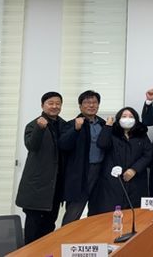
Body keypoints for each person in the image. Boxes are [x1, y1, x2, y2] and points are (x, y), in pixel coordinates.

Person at [16, 92, 66, 244]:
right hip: (36, 187)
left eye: (58, 103)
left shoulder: (64, 125)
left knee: (49, 227)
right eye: (50, 103)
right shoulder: (33, 125)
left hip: (55, 187)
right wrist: (39, 128)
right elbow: (32, 146)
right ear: (42, 105)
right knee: (33, 229)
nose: (54, 106)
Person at [59, 90, 106, 224]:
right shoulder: (71, 124)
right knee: (74, 210)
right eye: (87, 102)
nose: (91, 105)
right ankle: (66, 235)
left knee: (98, 209)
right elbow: (63, 145)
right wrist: (75, 129)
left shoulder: (103, 124)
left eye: (94, 102)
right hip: (80, 172)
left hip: (100, 171)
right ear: (80, 106)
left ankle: (92, 236)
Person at [94, 107, 152, 213]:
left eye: (131, 116)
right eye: (124, 116)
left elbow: (148, 155)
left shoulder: (142, 135)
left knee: (134, 212)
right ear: (118, 119)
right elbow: (102, 144)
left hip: (136, 180)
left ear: (136, 119)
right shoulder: (112, 132)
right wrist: (108, 126)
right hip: (113, 181)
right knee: (112, 211)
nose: (127, 119)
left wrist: (134, 169)